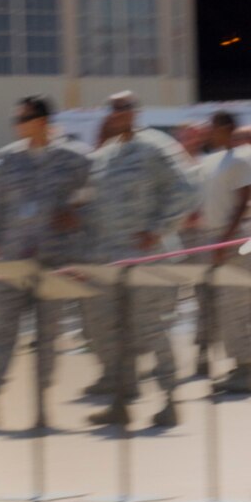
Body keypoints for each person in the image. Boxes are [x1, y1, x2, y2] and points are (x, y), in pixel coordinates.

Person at [0, 96, 93, 432]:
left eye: (24, 118)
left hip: (54, 261)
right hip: (13, 261)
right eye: (15, 120)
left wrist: (76, 214)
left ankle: (42, 409)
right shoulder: (8, 159)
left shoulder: (74, 158)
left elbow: (95, 198)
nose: (17, 125)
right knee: (2, 333)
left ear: (43, 120)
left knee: (48, 339)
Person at [82, 92, 198, 430]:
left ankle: (170, 401)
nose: (118, 113)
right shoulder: (105, 156)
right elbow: (95, 206)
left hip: (150, 259)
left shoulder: (156, 147)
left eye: (123, 107)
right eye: (113, 108)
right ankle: (120, 401)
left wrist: (159, 228)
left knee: (154, 329)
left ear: (135, 112)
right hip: (111, 262)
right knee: (113, 333)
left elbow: (187, 188)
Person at [188, 110, 251, 393]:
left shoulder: (242, 156)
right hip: (213, 239)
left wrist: (226, 239)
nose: (209, 131)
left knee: (237, 306)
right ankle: (244, 365)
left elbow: (246, 201)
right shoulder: (212, 160)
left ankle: (247, 369)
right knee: (225, 307)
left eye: (214, 126)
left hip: (232, 241)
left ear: (228, 127)